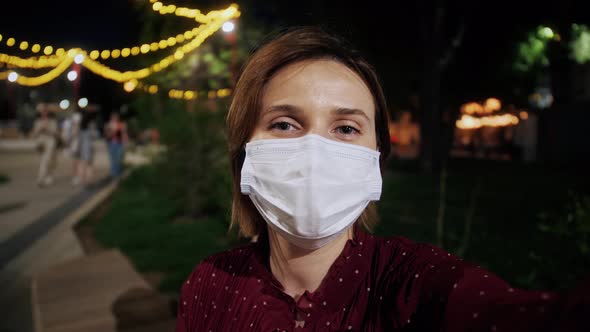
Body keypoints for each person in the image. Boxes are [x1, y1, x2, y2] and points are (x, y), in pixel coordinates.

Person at [176, 27, 589, 331]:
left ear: (376, 162)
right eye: (284, 124)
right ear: (244, 150)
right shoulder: (210, 284)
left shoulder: (414, 286)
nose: (315, 151)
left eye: (346, 128)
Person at [31, 103, 60, 187]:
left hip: (51, 141)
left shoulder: (53, 121)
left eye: (45, 111)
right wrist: (40, 129)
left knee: (51, 161)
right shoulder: (37, 121)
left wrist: (48, 128)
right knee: (45, 160)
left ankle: (47, 176)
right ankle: (42, 178)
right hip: (41, 142)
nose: (44, 113)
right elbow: (34, 135)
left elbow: (56, 133)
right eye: (42, 111)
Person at [73, 110, 97, 186]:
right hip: (89, 146)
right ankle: (89, 179)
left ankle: (83, 179)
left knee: (83, 164)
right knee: (89, 164)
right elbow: (94, 135)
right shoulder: (91, 125)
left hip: (82, 146)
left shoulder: (80, 126)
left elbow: (76, 135)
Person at [104, 111, 127, 178]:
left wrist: (124, 143)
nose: (114, 118)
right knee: (113, 159)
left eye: (115, 117)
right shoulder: (108, 125)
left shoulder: (121, 125)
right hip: (111, 144)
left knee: (119, 159)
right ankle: (114, 174)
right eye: (113, 117)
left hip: (119, 144)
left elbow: (123, 134)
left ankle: (118, 173)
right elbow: (107, 135)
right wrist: (111, 130)